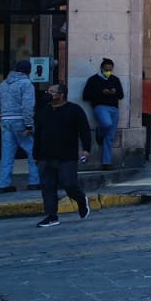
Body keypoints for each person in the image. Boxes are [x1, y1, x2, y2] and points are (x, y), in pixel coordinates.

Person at [32, 82, 92, 228]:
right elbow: (38, 133)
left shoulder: (74, 110)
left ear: (61, 94)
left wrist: (86, 149)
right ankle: (51, 216)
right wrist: (35, 153)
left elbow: (84, 130)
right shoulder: (43, 111)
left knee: (69, 184)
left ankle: (81, 200)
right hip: (45, 155)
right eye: (48, 91)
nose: (48, 94)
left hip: (67, 155)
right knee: (47, 186)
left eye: (52, 92)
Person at [0, 59, 37, 193]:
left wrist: (2, 114)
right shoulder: (26, 83)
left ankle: (3, 183)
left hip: (5, 121)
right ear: (29, 71)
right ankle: (35, 181)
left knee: (7, 154)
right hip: (20, 121)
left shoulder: (3, 84)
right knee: (32, 152)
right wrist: (29, 125)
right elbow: (27, 106)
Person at [81, 57, 126, 170]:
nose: (108, 72)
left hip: (114, 108)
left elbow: (121, 95)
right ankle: (100, 132)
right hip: (100, 106)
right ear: (101, 68)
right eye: (106, 69)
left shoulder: (115, 79)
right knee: (106, 124)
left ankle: (107, 162)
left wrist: (113, 93)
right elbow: (86, 96)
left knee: (110, 137)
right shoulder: (93, 80)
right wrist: (101, 93)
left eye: (110, 69)